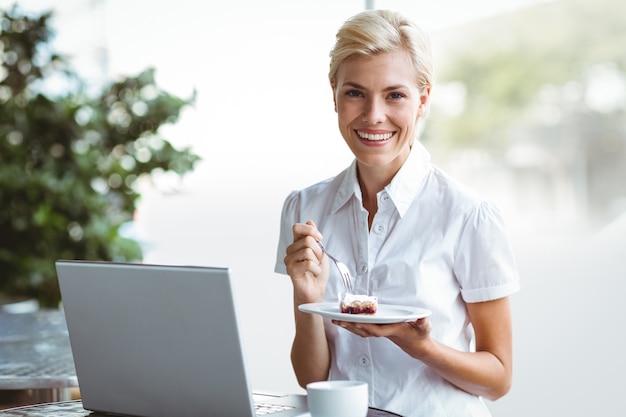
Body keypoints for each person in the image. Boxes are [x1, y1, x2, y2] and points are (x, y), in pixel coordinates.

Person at [274, 9, 520, 417]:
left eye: (394, 95)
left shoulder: (469, 216)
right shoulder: (304, 209)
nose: (373, 115)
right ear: (333, 92)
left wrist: (419, 345)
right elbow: (311, 377)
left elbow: (498, 379)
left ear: (423, 98)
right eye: (355, 92)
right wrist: (308, 295)